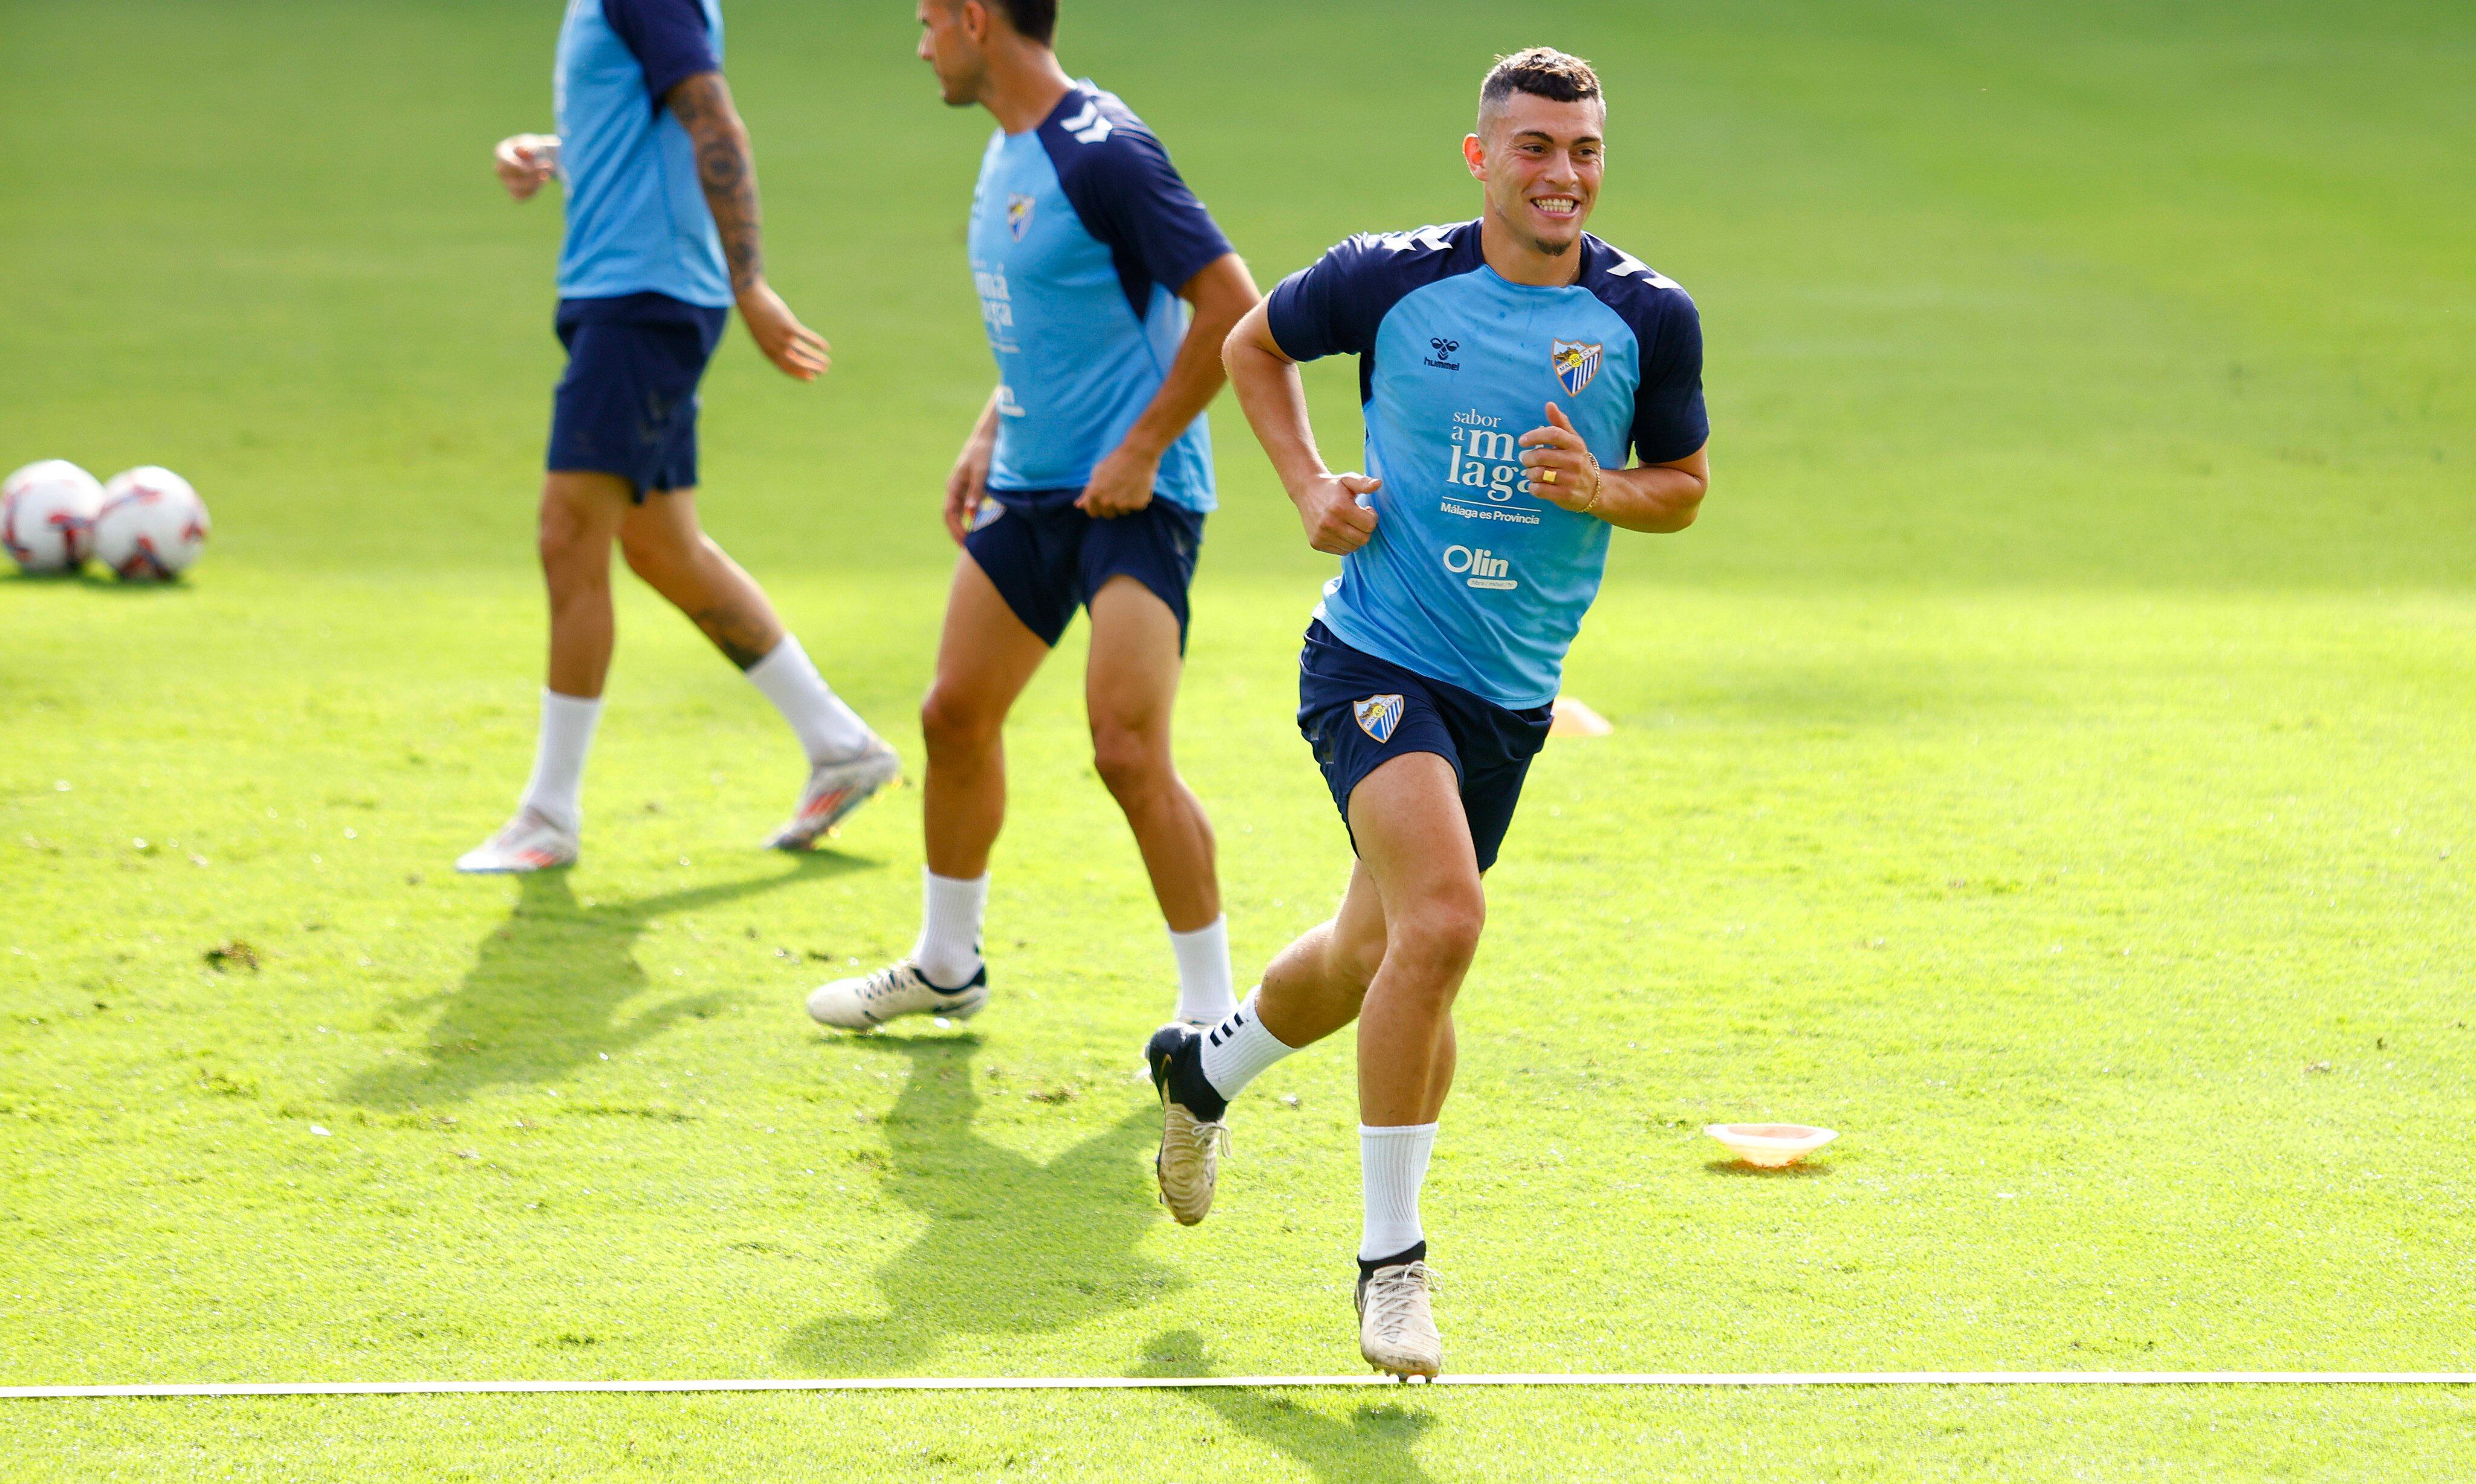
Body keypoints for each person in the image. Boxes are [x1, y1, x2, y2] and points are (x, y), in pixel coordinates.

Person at [1149, 48, 1711, 1377]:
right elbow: (1250, 343)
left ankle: (1200, 1075)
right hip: (1373, 656)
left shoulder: (1648, 317)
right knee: (1445, 922)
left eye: (1581, 151)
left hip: (1508, 699)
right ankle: (1389, 1267)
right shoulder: (1388, 278)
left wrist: (1602, 492)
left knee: (1367, 957)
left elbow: (1682, 482)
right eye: (1532, 149)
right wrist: (1301, 489)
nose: (1561, 175)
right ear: (1478, 159)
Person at [804, 0, 1259, 1034]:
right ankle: (944, 963)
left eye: (929, 21)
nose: (920, 45)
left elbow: (1233, 302)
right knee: (952, 715)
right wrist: (985, 431)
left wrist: (1142, 448)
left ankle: (1210, 1018)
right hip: (1031, 481)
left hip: (1138, 503)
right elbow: (1054, 321)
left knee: (1127, 749)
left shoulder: (1104, 153)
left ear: (976, 20)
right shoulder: (1008, 149)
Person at [458, 0, 898, 875]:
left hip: (642, 300)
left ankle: (547, 815)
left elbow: (712, 118)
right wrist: (557, 154)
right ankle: (839, 744)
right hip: (627, 292)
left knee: (568, 534)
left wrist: (756, 286)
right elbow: (653, 123)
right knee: (662, 545)